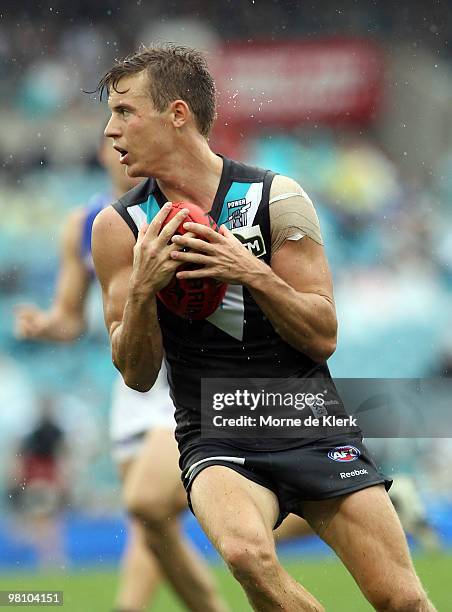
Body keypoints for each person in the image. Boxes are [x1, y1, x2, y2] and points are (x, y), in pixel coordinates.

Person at [92, 44, 435, 611]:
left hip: (305, 414)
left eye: (125, 112)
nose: (110, 130)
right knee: (247, 554)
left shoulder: (278, 197)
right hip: (214, 428)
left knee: (404, 601)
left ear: (177, 114)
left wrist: (250, 272)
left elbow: (323, 334)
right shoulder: (120, 227)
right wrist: (146, 290)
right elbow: (135, 373)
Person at [14, 138, 227, 612]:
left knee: (150, 504)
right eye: (114, 146)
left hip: (182, 378)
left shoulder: (176, 208)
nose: (123, 154)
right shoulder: (85, 223)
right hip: (133, 380)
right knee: (152, 520)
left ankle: (130, 608)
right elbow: (72, 319)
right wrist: (46, 325)